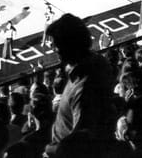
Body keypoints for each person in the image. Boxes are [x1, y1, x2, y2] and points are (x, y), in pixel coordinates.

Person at [45, 14, 116, 153]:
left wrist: (51, 150)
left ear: (69, 46)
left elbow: (80, 142)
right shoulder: (95, 62)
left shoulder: (84, 88)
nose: (54, 49)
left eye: (57, 45)